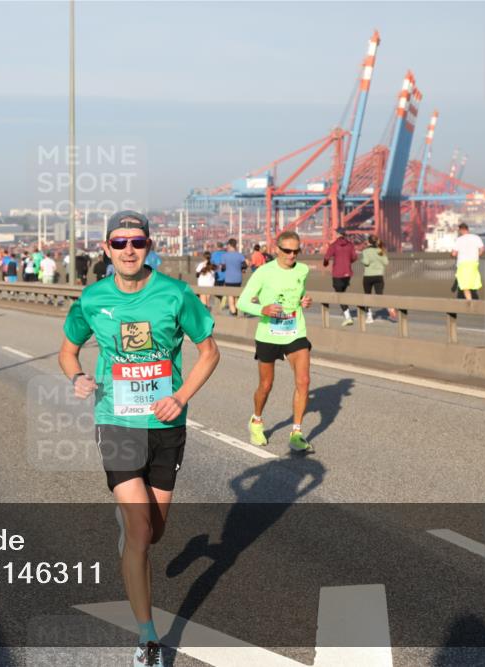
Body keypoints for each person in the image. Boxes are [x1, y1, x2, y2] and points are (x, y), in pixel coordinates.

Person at [58, 210, 219, 667]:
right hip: (117, 421)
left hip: (166, 425)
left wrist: (182, 396)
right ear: (106, 249)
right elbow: (68, 351)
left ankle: (133, 534)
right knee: (140, 530)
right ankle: (147, 637)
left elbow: (209, 352)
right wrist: (77, 378)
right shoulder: (92, 299)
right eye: (119, 242)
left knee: (156, 532)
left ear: (150, 246)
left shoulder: (174, 294)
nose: (129, 249)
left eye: (138, 242)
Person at [237, 230, 314, 453]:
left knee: (304, 380)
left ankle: (297, 433)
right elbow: (242, 302)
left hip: (295, 331)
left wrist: (304, 300)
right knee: (266, 385)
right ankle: (256, 421)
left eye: (296, 251)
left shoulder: (303, 270)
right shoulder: (263, 272)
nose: (292, 255)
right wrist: (263, 308)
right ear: (276, 250)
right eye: (287, 251)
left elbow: (298, 294)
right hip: (268, 334)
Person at [323, 227, 358, 326]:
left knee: (339, 295)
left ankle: (348, 317)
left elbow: (326, 257)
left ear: (338, 234)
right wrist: (348, 262)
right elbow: (354, 257)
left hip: (337, 274)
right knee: (342, 293)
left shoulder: (334, 245)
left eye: (336, 233)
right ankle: (347, 315)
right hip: (348, 273)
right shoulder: (350, 245)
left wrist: (325, 263)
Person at [360, 234, 397, 322]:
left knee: (367, 296)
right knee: (379, 295)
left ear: (368, 242)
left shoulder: (365, 251)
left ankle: (369, 317)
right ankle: (389, 308)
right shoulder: (380, 251)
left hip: (368, 276)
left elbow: (366, 262)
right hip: (379, 276)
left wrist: (362, 260)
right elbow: (386, 262)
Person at [452, 222, 484, 301]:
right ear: (467, 229)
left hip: (463, 264)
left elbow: (454, 253)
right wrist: (476, 256)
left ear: (460, 230)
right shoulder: (476, 237)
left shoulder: (459, 240)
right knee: (473, 283)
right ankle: (474, 301)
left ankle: (470, 302)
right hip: (473, 263)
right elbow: (482, 249)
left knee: (464, 285)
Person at [220, 238, 246, 316]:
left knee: (230, 296)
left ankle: (233, 311)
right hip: (238, 278)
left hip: (229, 278)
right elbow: (244, 265)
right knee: (237, 295)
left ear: (230, 245)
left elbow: (223, 268)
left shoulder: (225, 255)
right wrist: (241, 268)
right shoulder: (240, 255)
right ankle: (239, 310)